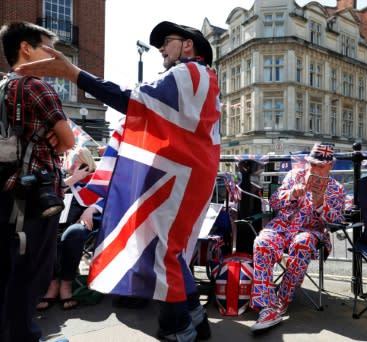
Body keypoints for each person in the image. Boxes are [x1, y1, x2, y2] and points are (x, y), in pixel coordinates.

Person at [17, 21, 220, 342]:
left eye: (166, 42)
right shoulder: (206, 80)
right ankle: (195, 319)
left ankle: (177, 330)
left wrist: (74, 73)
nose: (162, 50)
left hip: (181, 178)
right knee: (172, 252)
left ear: (188, 45)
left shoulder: (188, 74)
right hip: (192, 175)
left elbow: (131, 101)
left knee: (162, 253)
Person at [0, 22, 75, 342]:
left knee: (8, 271)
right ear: (25, 49)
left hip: (6, 191)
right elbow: (68, 140)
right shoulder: (36, 86)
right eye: (47, 47)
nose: (54, 55)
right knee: (32, 273)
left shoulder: (3, 86)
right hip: (36, 196)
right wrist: (55, 140)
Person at [249, 143, 346, 333]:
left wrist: (320, 204)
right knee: (262, 242)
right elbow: (274, 201)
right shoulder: (294, 176)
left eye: (320, 165)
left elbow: (337, 221)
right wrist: (292, 193)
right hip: (282, 227)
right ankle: (267, 307)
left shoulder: (336, 189)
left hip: (310, 230)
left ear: (330, 166)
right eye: (312, 164)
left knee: (303, 243)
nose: (314, 169)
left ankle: (282, 299)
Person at [36, 147, 97, 311]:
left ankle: (66, 285)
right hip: (55, 224)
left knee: (73, 233)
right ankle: (53, 283)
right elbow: (50, 196)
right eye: (68, 158)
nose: (69, 162)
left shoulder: (94, 181)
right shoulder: (60, 178)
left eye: (75, 159)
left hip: (80, 225)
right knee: (48, 233)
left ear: (85, 162)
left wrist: (92, 210)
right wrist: (73, 179)